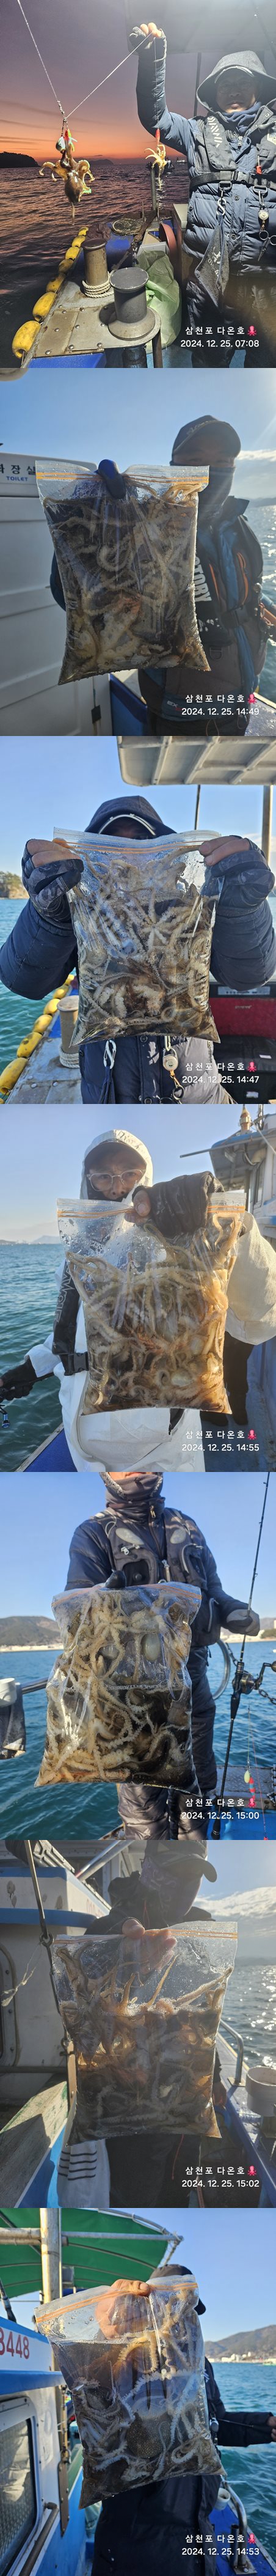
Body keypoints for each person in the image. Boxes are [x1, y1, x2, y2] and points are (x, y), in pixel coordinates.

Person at [0, 790, 226, 1108]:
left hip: (195, 1094)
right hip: (107, 1095)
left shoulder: (189, 905)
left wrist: (246, 910)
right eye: (111, 843)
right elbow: (24, 981)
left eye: (140, 841)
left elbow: (249, 974)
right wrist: (48, 917)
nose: (127, 854)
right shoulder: (82, 909)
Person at [65, 1468, 260, 1800]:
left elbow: (213, 1590)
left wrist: (232, 1610)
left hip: (193, 1671)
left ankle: (197, 1815)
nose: (136, 1466)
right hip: (132, 1681)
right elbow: (78, 1609)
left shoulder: (187, 1525)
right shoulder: (93, 1532)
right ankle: (151, 1828)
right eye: (122, 1461)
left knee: (199, 1774)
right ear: (105, 1473)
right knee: (144, 1786)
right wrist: (101, 1600)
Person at [93, 2262, 276, 2576]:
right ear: (148, 2307)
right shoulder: (128, 2356)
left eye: (189, 2308)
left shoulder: (201, 2364)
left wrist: (265, 2427)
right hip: (140, 2541)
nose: (181, 2316)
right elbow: (98, 2401)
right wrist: (106, 2340)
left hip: (198, 2530)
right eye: (170, 2306)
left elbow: (214, 2423)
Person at [135, 34, 276, 362]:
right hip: (209, 281)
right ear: (215, 93)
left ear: (258, 89)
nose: (234, 90)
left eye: (243, 82)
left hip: (267, 283)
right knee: (209, 362)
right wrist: (152, 62)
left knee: (266, 368)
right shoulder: (195, 131)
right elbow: (155, 118)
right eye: (226, 84)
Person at [137, 416, 276, 732]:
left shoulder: (238, 527)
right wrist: (98, 528)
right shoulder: (147, 528)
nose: (211, 471)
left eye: (223, 462)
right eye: (195, 461)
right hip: (182, 710)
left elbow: (249, 596)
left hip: (241, 697)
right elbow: (82, 600)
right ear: (173, 467)